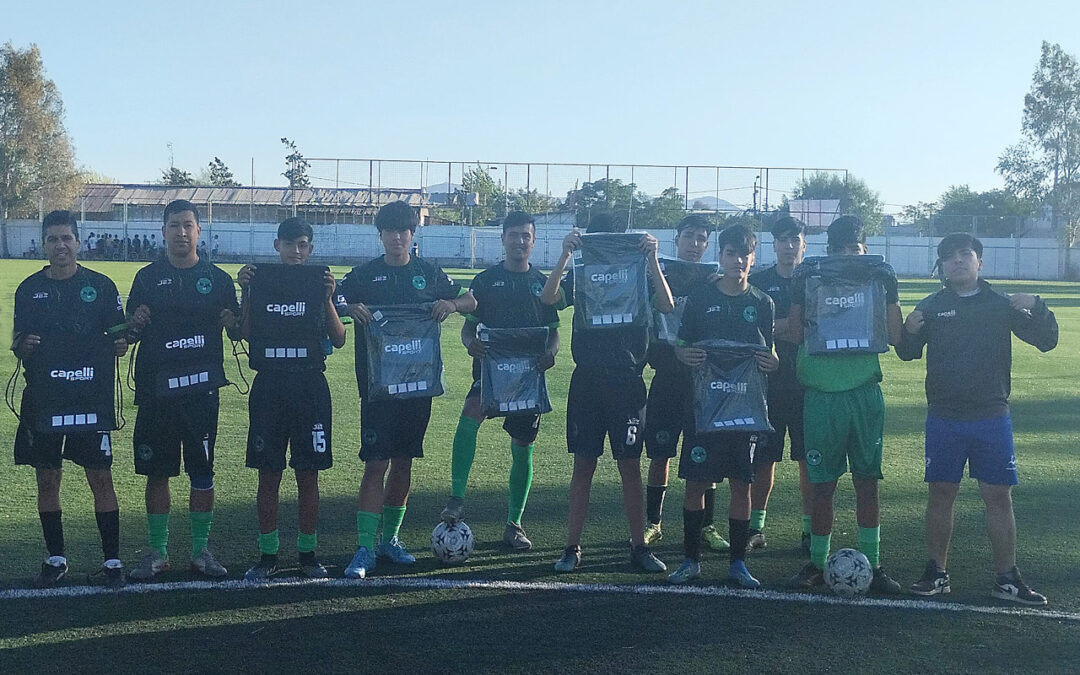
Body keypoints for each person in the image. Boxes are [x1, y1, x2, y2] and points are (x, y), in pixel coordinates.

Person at [897, 233, 1057, 605]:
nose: (958, 261)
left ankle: (1006, 578)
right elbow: (907, 353)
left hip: (991, 416)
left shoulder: (1001, 304)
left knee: (998, 497)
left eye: (965, 254)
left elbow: (1046, 340)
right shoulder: (932, 306)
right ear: (941, 266)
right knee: (941, 494)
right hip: (945, 417)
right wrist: (908, 330)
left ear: (979, 262)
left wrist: (1038, 305)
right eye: (949, 256)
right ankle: (936, 573)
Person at [338, 200, 476, 579]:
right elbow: (334, 300)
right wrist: (350, 308)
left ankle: (390, 540)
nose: (397, 237)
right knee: (375, 463)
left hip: (417, 385)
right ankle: (365, 547)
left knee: (403, 461)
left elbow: (470, 300)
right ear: (380, 235)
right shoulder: (365, 275)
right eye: (390, 231)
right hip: (378, 387)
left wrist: (449, 303)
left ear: (413, 235)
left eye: (404, 231)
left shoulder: (428, 273)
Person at [540, 211, 674, 574]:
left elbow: (667, 305)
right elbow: (548, 298)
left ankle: (639, 547)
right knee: (583, 464)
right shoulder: (582, 274)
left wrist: (651, 258)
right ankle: (571, 547)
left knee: (629, 465)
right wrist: (566, 254)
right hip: (587, 382)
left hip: (628, 381)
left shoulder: (638, 272)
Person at [786, 215, 904, 594]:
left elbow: (898, 337)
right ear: (829, 253)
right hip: (821, 396)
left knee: (868, 483)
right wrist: (796, 289)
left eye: (854, 249)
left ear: (865, 251)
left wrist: (893, 290)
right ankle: (818, 563)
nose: (847, 256)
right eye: (839, 250)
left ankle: (876, 562)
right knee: (822, 486)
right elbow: (791, 332)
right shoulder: (813, 280)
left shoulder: (875, 283)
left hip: (864, 394)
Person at [125, 199, 241, 581]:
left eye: (188, 225)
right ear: (163, 232)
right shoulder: (145, 278)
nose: (181, 232)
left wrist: (233, 319)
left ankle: (199, 551)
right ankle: (157, 552)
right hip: (157, 391)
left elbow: (241, 331)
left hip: (201, 391)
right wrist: (134, 322)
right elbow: (130, 331)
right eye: (174, 225)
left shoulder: (218, 280)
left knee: (202, 471)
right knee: (157, 472)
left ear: (198, 231)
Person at [12, 210, 128, 588]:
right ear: (43, 244)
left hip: (89, 399)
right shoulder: (28, 289)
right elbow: (19, 342)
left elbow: (119, 336)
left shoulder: (102, 285)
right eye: (52, 239)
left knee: (100, 476)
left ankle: (112, 561)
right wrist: (22, 346)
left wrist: (122, 342)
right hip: (45, 400)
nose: (60, 245)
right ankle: (56, 557)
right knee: (47, 478)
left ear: (78, 242)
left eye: (66, 238)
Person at [439, 211, 560, 550]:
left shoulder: (542, 283)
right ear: (503, 238)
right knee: (469, 417)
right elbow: (467, 328)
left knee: (523, 449)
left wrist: (550, 354)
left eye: (526, 235)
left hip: (527, 378)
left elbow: (553, 333)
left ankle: (514, 524)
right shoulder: (485, 280)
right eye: (514, 235)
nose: (520, 241)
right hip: (491, 374)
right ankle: (457, 498)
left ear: (533, 241)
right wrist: (469, 344)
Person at [668, 224, 778, 587]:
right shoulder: (701, 297)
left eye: (744, 254)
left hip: (745, 409)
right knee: (696, 484)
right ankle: (690, 561)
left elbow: (771, 351)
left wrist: (773, 362)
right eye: (730, 253)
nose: (738, 260)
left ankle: (738, 564)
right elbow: (681, 344)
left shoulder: (762, 303)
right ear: (721, 256)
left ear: (753, 256)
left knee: (741, 485)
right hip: (705, 406)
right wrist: (684, 354)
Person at [237, 218, 347, 581]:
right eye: (289, 244)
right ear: (276, 246)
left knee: (308, 473)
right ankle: (268, 555)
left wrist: (328, 298)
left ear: (310, 249)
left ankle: (307, 554)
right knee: (268, 474)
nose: (296, 252)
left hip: (310, 387)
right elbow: (245, 334)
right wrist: (247, 293)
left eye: (302, 245)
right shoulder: (260, 279)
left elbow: (341, 338)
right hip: (269, 387)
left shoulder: (320, 282)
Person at [642, 215, 730, 553]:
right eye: (689, 236)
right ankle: (654, 522)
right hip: (666, 379)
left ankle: (707, 525)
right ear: (676, 239)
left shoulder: (714, 281)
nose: (694, 244)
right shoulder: (656, 275)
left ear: (708, 245)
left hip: (704, 383)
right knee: (660, 453)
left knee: (706, 454)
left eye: (701, 239)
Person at [748, 216, 809, 553]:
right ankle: (756, 527)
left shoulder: (814, 280)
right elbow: (749, 327)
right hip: (766, 385)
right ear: (774, 244)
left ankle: (809, 529)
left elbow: (806, 330)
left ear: (804, 243)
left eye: (794, 239)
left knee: (807, 459)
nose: (789, 246)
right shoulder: (758, 281)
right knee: (764, 459)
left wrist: (775, 326)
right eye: (783, 239)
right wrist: (789, 326)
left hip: (806, 385)